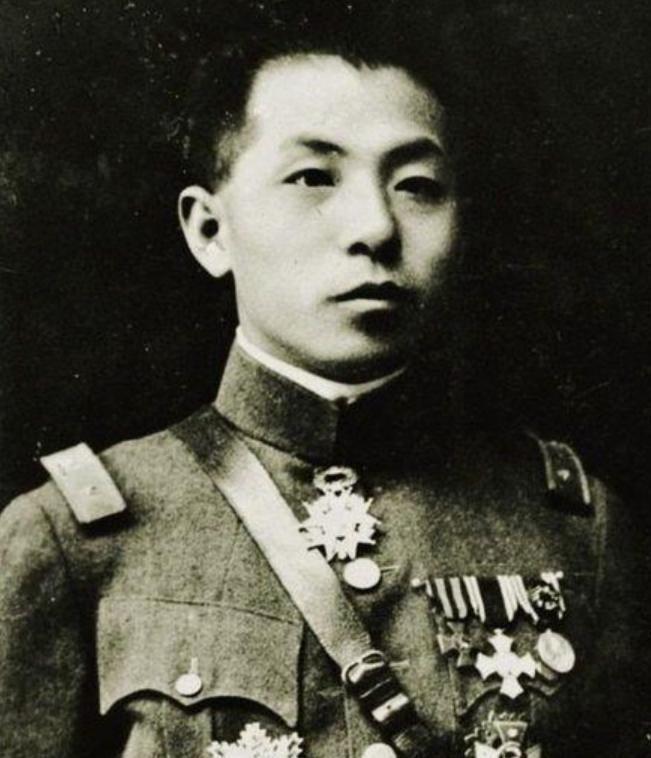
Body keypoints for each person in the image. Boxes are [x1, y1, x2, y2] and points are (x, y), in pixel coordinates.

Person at [0, 6, 647, 757]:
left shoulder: (578, 529)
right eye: (312, 177)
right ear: (210, 231)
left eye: (417, 185)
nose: (375, 227)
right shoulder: (76, 539)